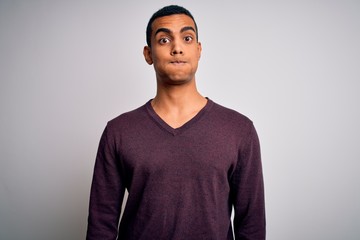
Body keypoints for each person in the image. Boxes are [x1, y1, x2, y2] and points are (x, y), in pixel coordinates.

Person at [86, 5, 265, 240]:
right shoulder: (118, 131)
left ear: (198, 50)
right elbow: (101, 224)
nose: (177, 48)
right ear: (148, 54)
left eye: (187, 38)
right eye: (164, 40)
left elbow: (251, 226)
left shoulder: (239, 130)